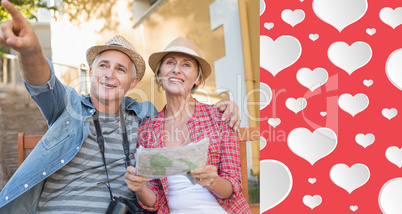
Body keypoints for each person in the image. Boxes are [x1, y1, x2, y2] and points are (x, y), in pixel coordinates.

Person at [0, 0, 240, 213]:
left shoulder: (143, 117)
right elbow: (43, 82)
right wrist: (30, 51)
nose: (109, 75)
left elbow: (181, 111)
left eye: (120, 69)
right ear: (92, 71)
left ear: (133, 82)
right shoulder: (69, 106)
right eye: (103, 65)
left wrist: (226, 107)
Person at [124, 37, 251, 214]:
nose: (176, 70)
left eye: (186, 65)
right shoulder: (147, 130)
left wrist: (213, 181)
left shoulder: (220, 118)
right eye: (170, 63)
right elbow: (157, 201)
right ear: (160, 74)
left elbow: (233, 187)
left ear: (198, 78)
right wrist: (139, 188)